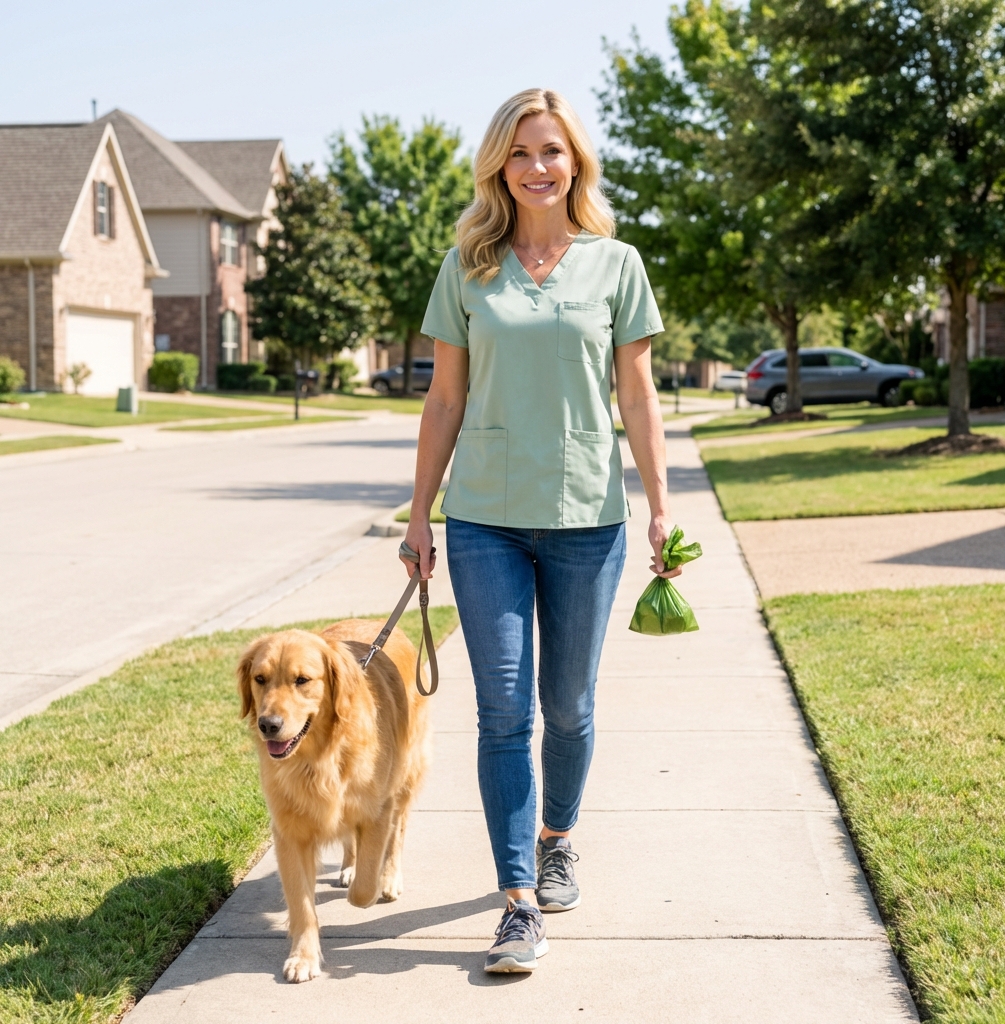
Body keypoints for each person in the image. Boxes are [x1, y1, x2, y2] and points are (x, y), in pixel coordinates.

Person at [401, 88, 679, 974]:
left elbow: (637, 395)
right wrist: (418, 515)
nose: (537, 168)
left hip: (586, 517)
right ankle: (519, 900)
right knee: (503, 710)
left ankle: (559, 837)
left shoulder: (617, 264)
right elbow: (443, 399)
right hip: (483, 516)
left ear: (576, 163)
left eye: (552, 151)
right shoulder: (467, 267)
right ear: (499, 168)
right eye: (520, 154)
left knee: (571, 705)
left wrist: (663, 506)